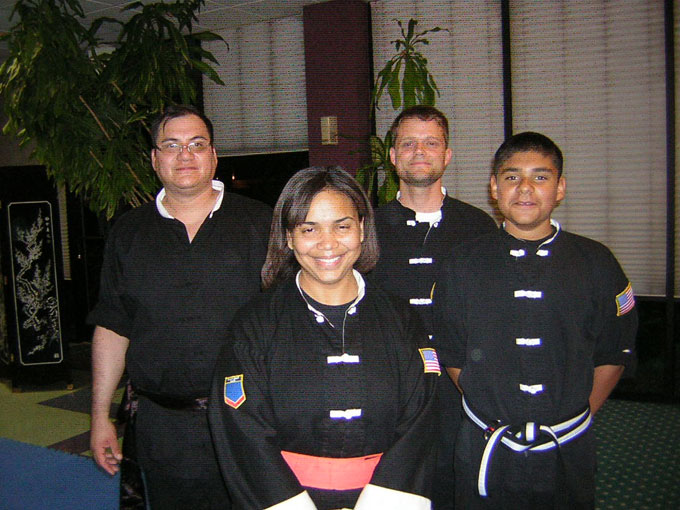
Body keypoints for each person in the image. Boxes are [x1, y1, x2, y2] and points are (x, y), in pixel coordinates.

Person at [209, 166, 440, 510]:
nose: (327, 243)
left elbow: (421, 421)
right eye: (309, 229)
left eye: (342, 226)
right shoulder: (254, 325)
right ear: (289, 237)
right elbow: (243, 431)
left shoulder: (402, 319)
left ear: (362, 229)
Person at [434, 132, 638, 509]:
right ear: (494, 188)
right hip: (485, 446)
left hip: (567, 448)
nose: (525, 188)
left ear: (560, 188)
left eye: (540, 177)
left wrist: (574, 416)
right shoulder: (462, 263)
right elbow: (451, 352)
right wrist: (492, 406)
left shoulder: (596, 262)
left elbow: (615, 351)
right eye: (512, 177)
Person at [88, 105, 272, 509]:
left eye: (196, 145)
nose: (185, 155)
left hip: (247, 422)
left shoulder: (262, 224)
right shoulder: (128, 232)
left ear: (214, 156)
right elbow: (113, 326)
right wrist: (100, 415)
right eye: (171, 146)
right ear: (155, 159)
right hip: (161, 425)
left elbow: (287, 323)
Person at [371, 105, 497, 509]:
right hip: (389, 390)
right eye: (408, 144)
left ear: (447, 154)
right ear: (393, 156)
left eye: (431, 143)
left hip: (460, 391)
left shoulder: (479, 228)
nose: (419, 152)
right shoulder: (365, 228)